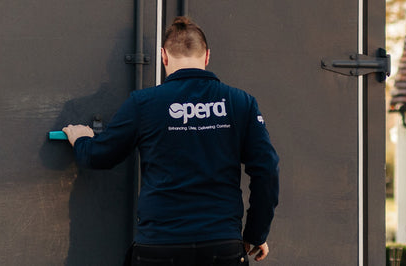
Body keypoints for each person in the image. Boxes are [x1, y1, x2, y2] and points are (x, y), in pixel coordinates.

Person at [63, 16, 280, 264]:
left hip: (159, 247)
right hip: (221, 246)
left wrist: (82, 140)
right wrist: (256, 233)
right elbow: (267, 169)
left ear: (164, 57)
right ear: (207, 56)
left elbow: (100, 156)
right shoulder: (240, 102)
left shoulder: (143, 103)